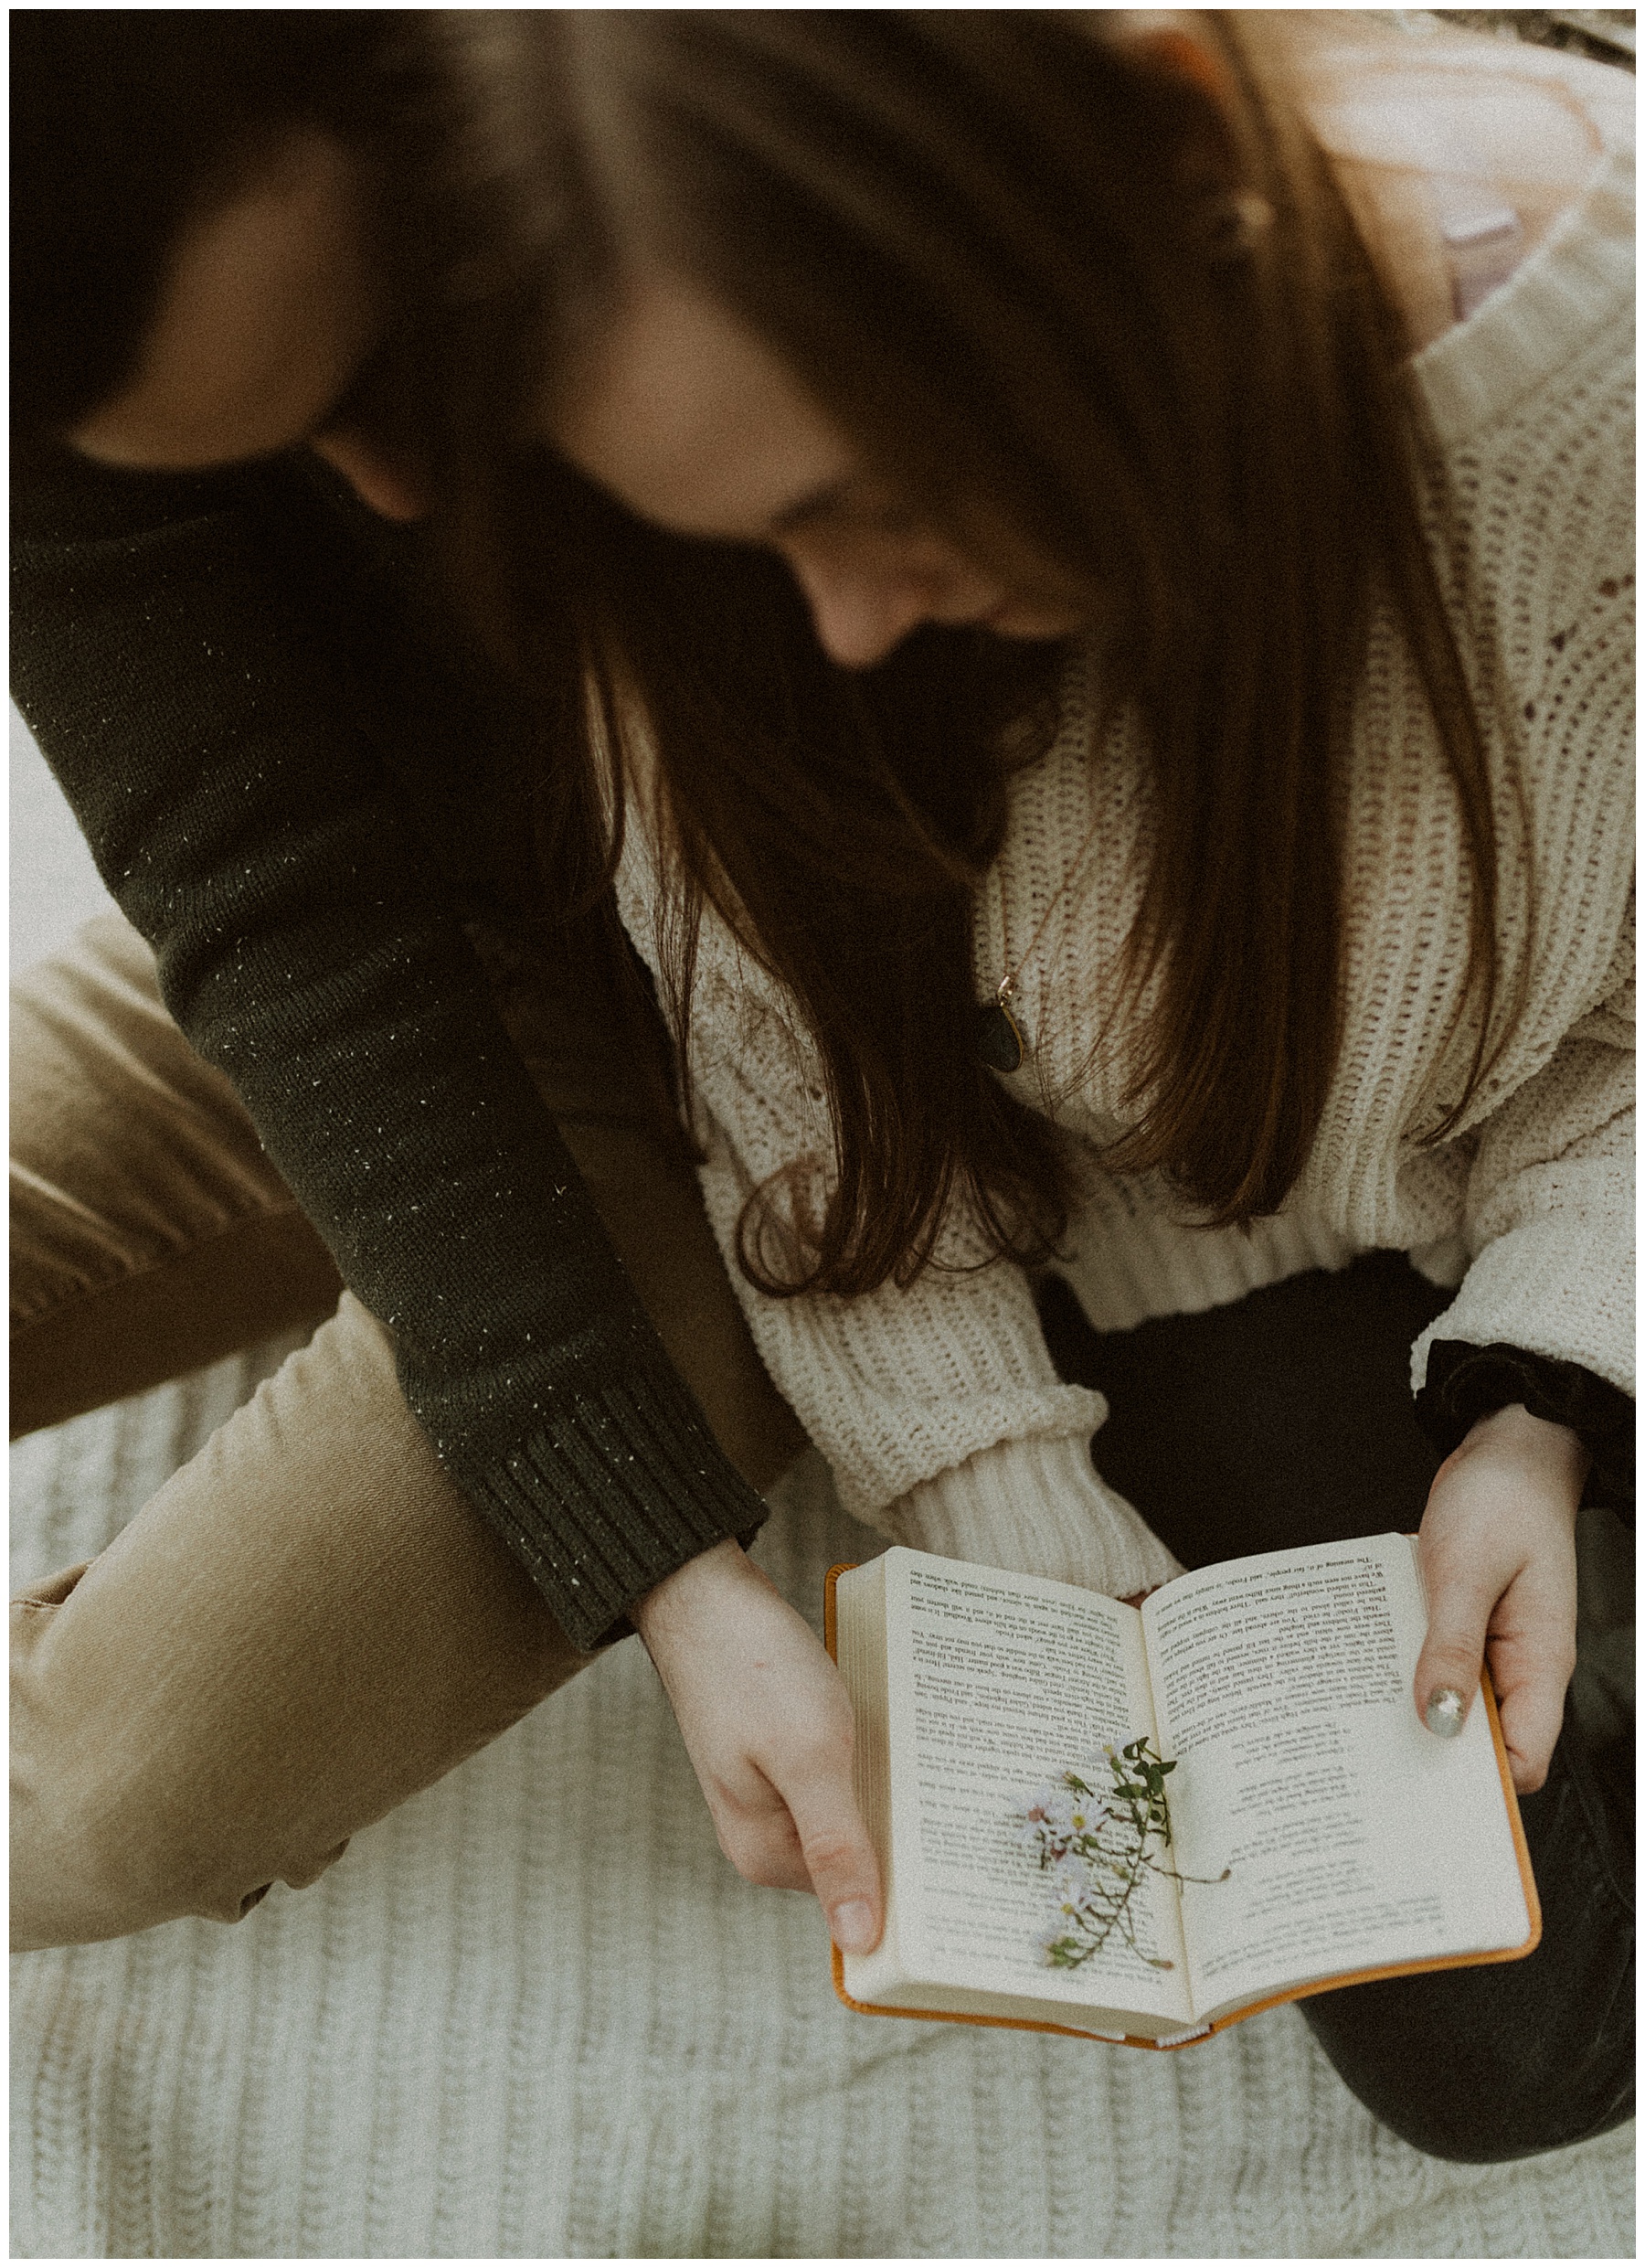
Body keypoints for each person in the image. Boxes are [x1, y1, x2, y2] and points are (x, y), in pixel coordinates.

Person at [367, 10, 1626, 2161]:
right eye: (764, 537)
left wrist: (1552, 1388)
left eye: (871, 493)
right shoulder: (712, 581)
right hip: (1187, 1262)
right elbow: (816, 1134)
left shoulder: (1586, 405)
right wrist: (1018, 1517)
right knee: (1502, 2047)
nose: (846, 621)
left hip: (1578, 1175)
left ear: (1157, 157)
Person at [11, 9, 876, 1960]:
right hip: (456, 916)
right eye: (270, 455)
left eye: (391, 359)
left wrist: (639, 1507)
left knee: (134, 1773)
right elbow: (267, 884)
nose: (391, 489)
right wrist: (652, 1547)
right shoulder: (41, 264)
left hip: (812, 1051)